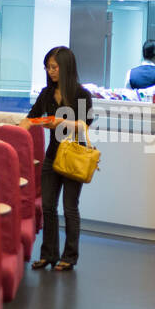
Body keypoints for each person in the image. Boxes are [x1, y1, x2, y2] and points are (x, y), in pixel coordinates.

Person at [22, 46, 95, 271]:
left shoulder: (82, 94)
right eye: (48, 67)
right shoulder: (46, 93)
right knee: (48, 207)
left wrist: (59, 123)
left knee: (70, 208)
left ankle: (69, 257)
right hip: (52, 156)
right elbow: (30, 118)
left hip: (74, 155)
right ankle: (48, 254)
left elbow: (84, 127)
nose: (50, 71)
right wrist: (17, 132)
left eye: (54, 67)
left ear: (66, 68)